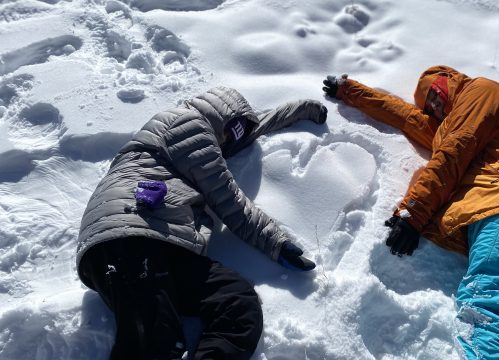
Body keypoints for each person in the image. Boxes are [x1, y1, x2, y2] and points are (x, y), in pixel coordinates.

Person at [322, 66, 499, 359]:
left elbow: (454, 150)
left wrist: (413, 212)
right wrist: (350, 90)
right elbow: (407, 117)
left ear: (450, 79)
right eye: (428, 104)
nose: (432, 103)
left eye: (434, 92)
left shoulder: (481, 92)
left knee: (486, 311)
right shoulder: (455, 123)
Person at [76, 86, 326, 360]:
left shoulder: (200, 133)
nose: (231, 141)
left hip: (163, 239)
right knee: (155, 341)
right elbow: (229, 202)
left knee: (237, 303)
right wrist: (277, 243)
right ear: (221, 115)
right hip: (128, 234)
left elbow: (255, 124)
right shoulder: (187, 124)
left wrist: (303, 109)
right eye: (232, 132)